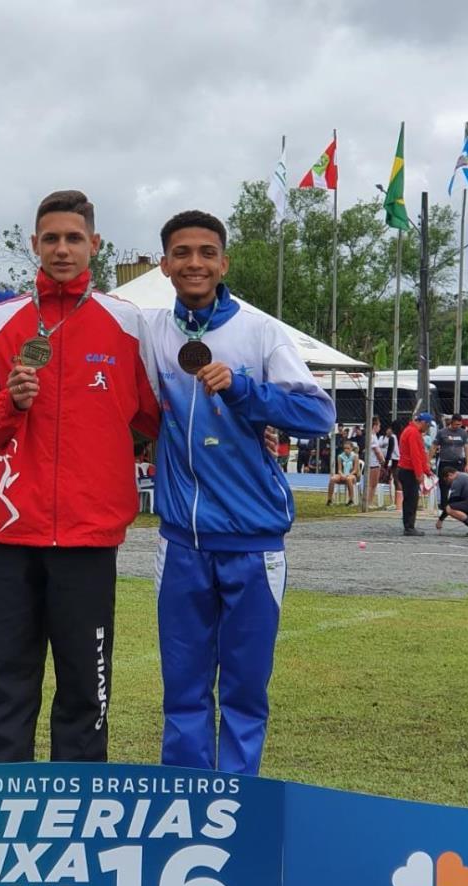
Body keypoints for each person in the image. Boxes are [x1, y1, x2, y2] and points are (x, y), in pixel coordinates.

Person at [0, 189, 160, 765]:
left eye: (74, 238)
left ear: (96, 245)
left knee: (84, 689)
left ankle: (78, 807)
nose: (63, 248)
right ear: (34, 246)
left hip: (89, 537)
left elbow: (158, 416)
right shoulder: (1, 322)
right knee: (0, 682)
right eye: (51, 238)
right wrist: (7, 404)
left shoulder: (127, 325)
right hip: (7, 537)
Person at [143, 209, 334, 775]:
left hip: (253, 545)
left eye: (206, 252)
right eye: (182, 253)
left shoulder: (260, 331)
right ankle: (184, 799)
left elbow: (318, 414)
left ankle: (237, 802)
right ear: (165, 265)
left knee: (245, 694)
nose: (194, 262)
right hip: (181, 543)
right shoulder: (151, 330)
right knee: (182, 691)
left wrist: (245, 389)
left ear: (223, 263)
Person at [397, 413, 435, 537]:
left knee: (411, 499)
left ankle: (409, 526)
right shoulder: (413, 433)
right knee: (411, 500)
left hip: (407, 469)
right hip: (409, 470)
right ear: (424, 423)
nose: (428, 429)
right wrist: (420, 473)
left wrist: (426, 471)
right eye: (428, 426)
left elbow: (421, 454)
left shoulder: (412, 431)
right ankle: (409, 527)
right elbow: (415, 455)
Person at [434, 413, 468, 513]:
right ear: (451, 422)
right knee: (444, 484)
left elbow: (467, 449)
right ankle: (444, 505)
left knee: (459, 484)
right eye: (455, 424)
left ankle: (457, 504)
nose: (457, 427)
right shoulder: (442, 432)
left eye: (459, 425)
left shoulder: (463, 433)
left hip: (458, 462)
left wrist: (467, 464)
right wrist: (429, 460)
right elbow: (434, 446)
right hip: (445, 461)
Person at [327, 440, 360, 506]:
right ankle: (329, 500)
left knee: (348, 479)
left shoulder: (355, 456)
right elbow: (339, 470)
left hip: (353, 475)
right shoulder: (340, 456)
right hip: (343, 475)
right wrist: (342, 475)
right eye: (345, 448)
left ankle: (351, 500)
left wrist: (348, 475)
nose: (346, 450)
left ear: (351, 448)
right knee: (332, 479)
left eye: (348, 448)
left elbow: (355, 470)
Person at [366, 415, 386, 506]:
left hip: (372, 462)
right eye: (379, 425)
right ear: (375, 426)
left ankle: (369, 501)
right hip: (374, 463)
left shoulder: (373, 436)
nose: (379, 427)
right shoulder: (373, 437)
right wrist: (382, 461)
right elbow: (377, 451)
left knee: (372, 484)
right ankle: (369, 502)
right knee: (373, 484)